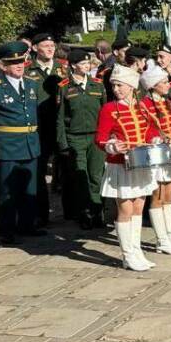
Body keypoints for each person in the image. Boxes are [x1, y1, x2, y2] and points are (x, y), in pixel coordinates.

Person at [95, 65, 159, 272]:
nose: (116, 89)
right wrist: (113, 146)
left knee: (139, 206)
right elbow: (100, 139)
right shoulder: (109, 109)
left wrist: (155, 138)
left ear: (131, 86)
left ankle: (137, 249)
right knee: (125, 208)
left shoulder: (142, 107)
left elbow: (149, 130)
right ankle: (127, 255)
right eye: (114, 85)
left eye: (120, 85)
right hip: (120, 164)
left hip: (141, 163)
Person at [0, 41, 45, 244]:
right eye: (14, 63)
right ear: (3, 66)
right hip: (8, 145)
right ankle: (6, 230)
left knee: (29, 188)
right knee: (7, 190)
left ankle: (27, 225)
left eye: (22, 61)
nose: (19, 65)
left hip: (30, 143)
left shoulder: (31, 84)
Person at [139, 67, 171, 253]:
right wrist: (156, 137)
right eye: (165, 81)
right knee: (158, 196)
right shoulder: (144, 104)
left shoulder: (167, 102)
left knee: (168, 195)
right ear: (153, 85)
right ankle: (161, 240)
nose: (169, 84)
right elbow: (144, 129)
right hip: (157, 152)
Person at [56, 48, 106, 229]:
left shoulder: (98, 85)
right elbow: (61, 117)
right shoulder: (64, 87)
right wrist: (63, 142)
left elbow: (105, 113)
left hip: (96, 138)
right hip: (75, 137)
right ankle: (84, 213)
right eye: (83, 63)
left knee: (96, 175)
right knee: (80, 176)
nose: (87, 66)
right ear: (73, 65)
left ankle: (97, 211)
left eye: (88, 63)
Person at [25, 33, 62, 227]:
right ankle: (41, 214)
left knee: (69, 168)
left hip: (62, 126)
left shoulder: (63, 68)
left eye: (52, 45)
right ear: (35, 48)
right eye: (46, 45)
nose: (50, 49)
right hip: (39, 128)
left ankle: (74, 212)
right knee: (38, 171)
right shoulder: (27, 70)